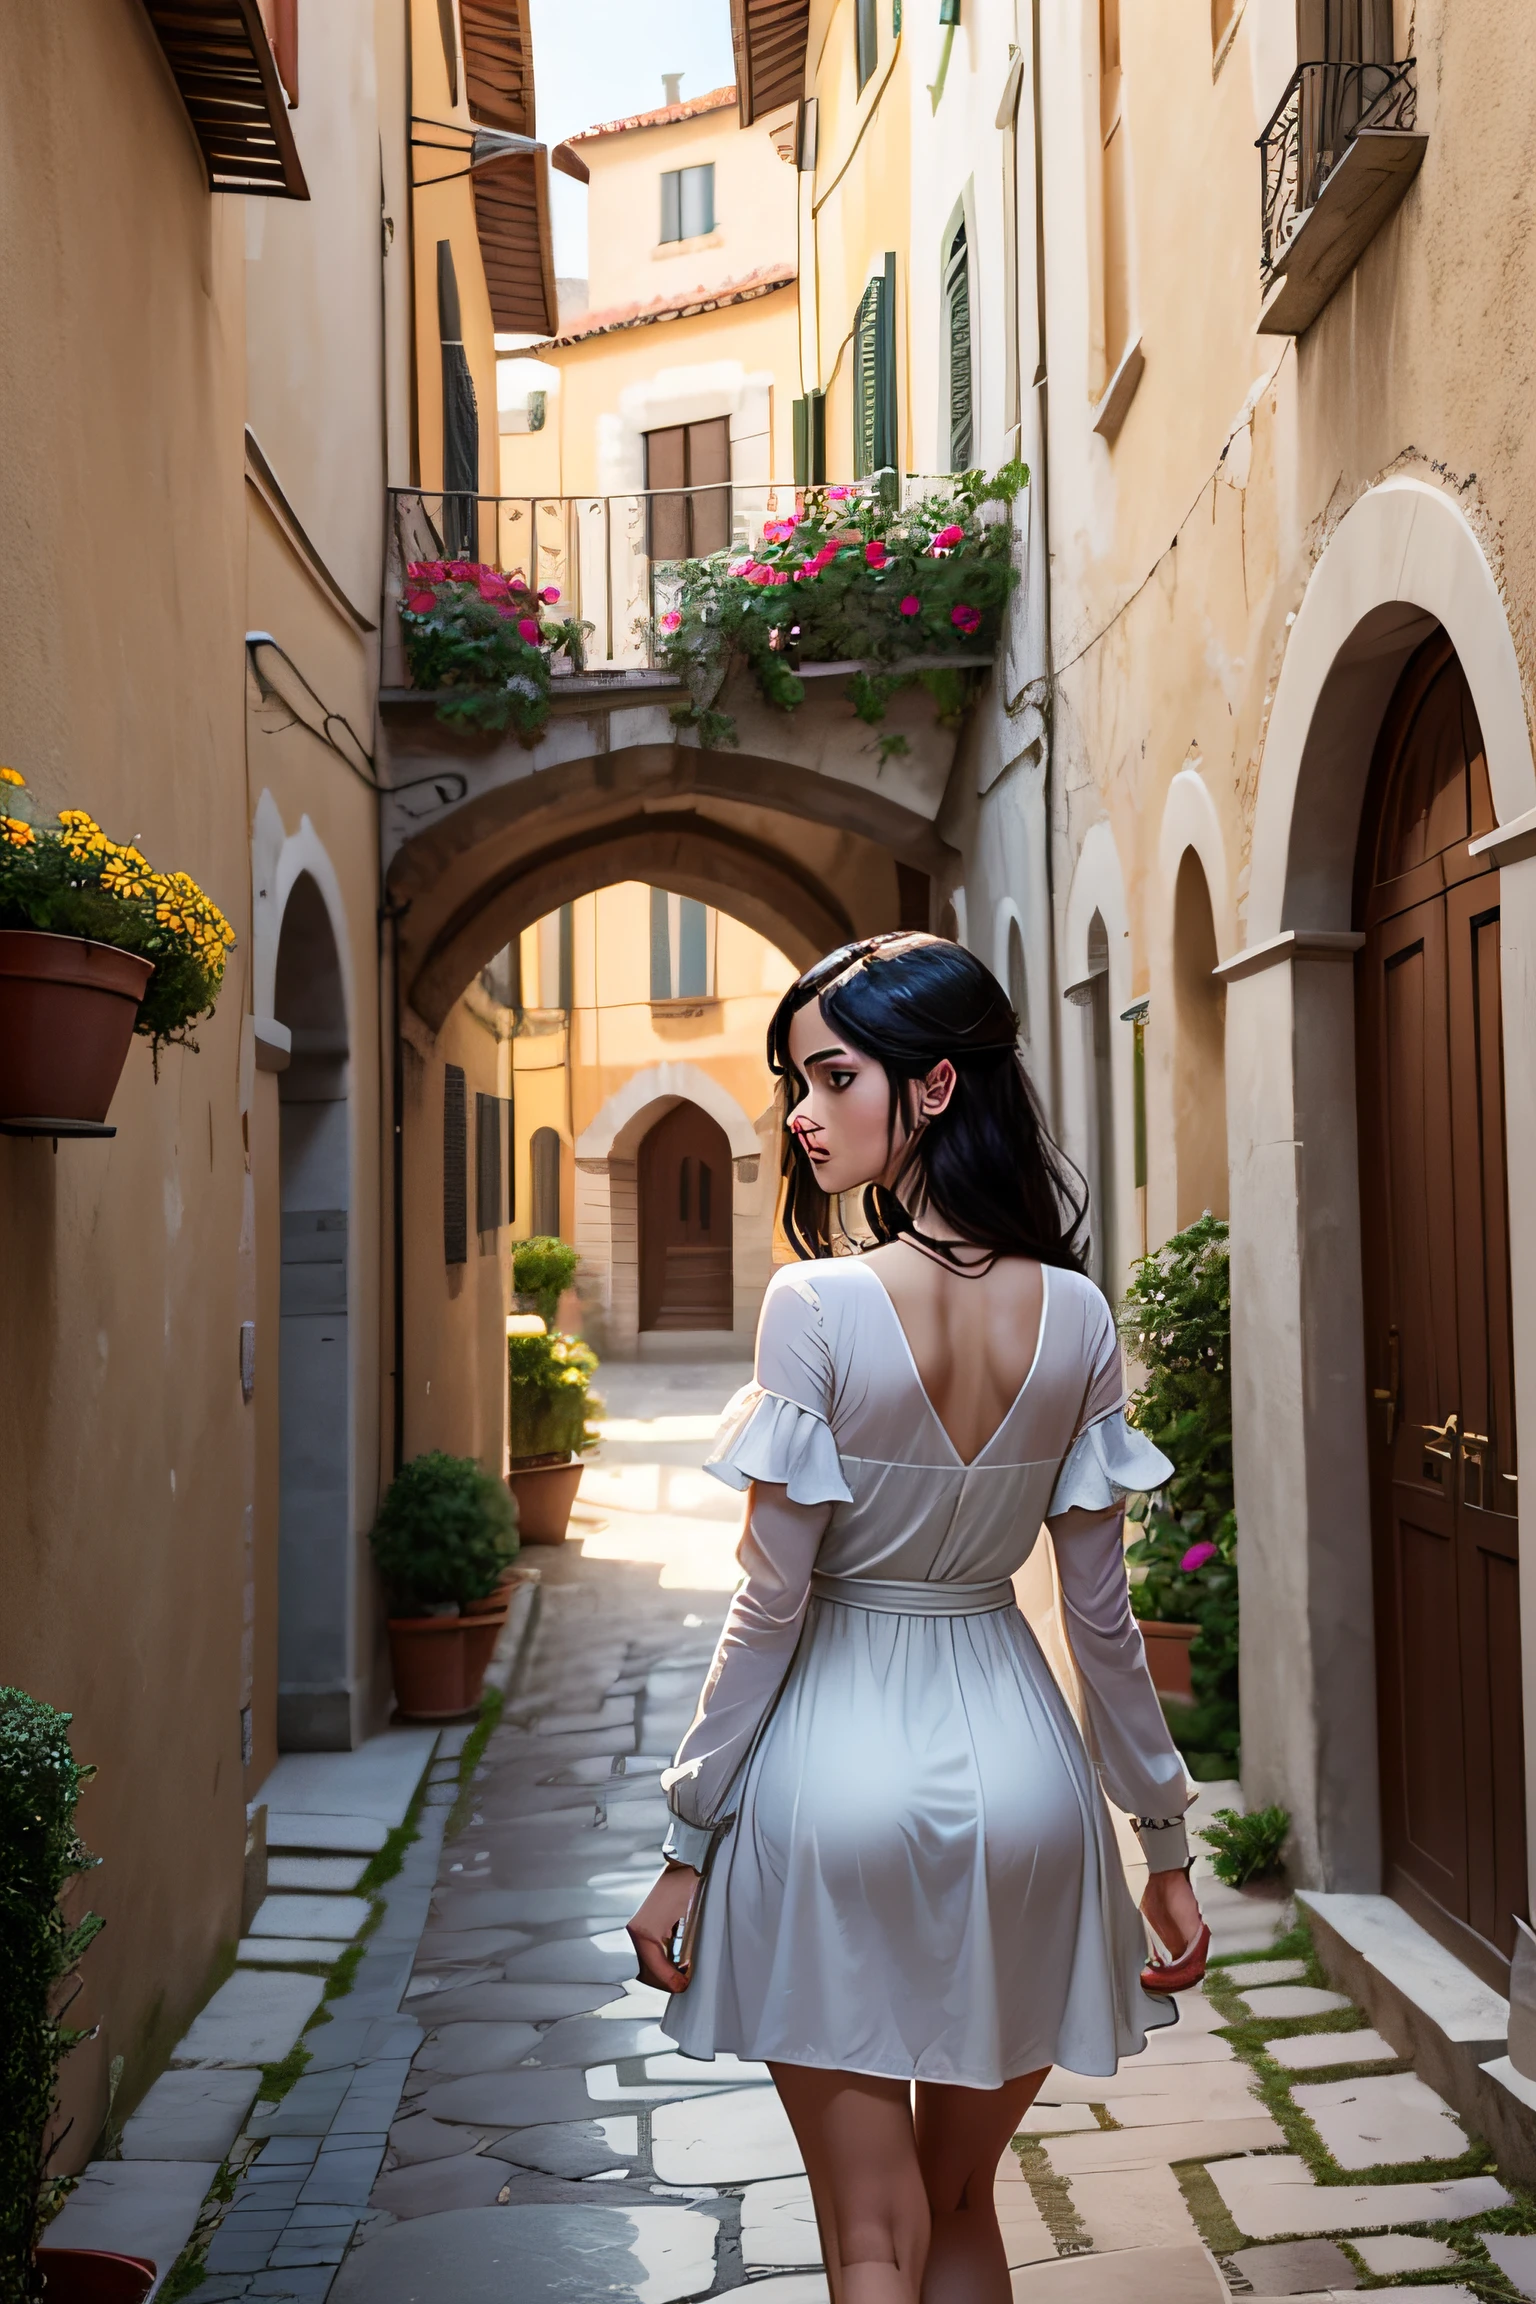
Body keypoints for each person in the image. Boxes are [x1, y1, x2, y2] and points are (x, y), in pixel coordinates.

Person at [627, 933, 1207, 2304]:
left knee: (868, 2238)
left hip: (833, 1775)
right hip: (1024, 1782)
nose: (801, 1116)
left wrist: (683, 1838)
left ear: (935, 1084)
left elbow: (768, 1604)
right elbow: (1104, 1625)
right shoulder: (1076, 1314)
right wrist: (1165, 1840)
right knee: (956, 2204)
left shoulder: (814, 1303)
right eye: (793, 1083)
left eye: (833, 1077)